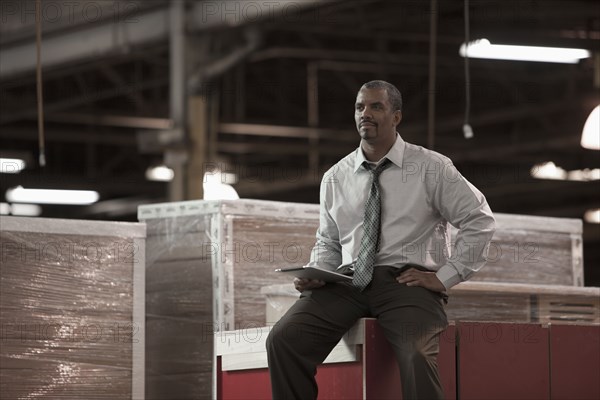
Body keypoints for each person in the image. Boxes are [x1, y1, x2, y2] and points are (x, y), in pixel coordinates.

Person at [266, 80, 496, 399]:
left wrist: (445, 277)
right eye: (360, 107)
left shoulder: (432, 168)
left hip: (405, 283)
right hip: (346, 283)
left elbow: (479, 218)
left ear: (396, 117)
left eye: (377, 106)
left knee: (417, 353)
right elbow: (329, 242)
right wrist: (317, 272)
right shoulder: (336, 176)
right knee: (283, 340)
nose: (366, 114)